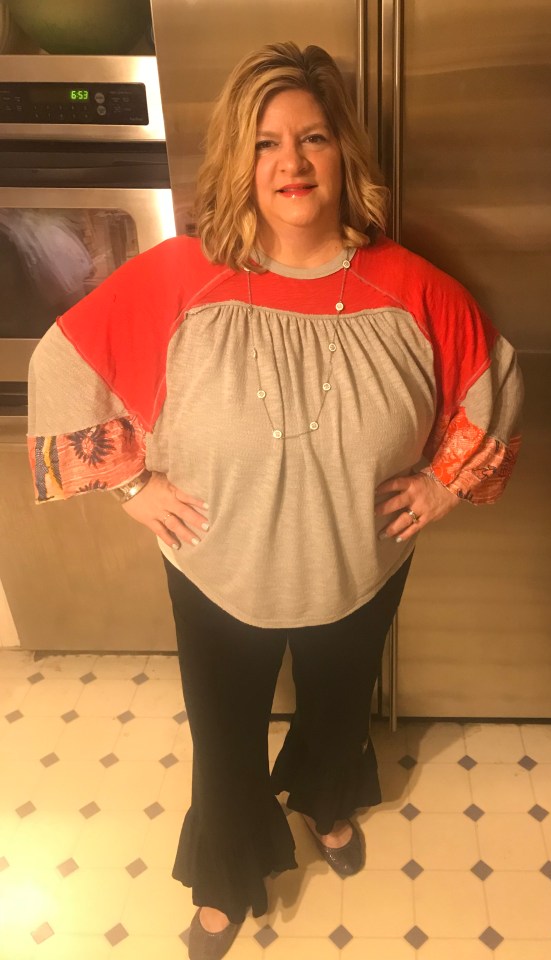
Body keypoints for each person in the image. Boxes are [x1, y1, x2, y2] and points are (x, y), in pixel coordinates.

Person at [27, 41, 523, 960]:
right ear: (239, 159)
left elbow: (494, 377)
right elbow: (62, 361)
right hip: (215, 576)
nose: (291, 162)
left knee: (337, 710)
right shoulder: (181, 278)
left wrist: (444, 483)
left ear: (343, 154)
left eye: (313, 138)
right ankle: (225, 877)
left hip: (361, 569)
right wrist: (131, 482)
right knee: (225, 740)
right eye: (265, 142)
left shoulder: (411, 288)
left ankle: (327, 803)